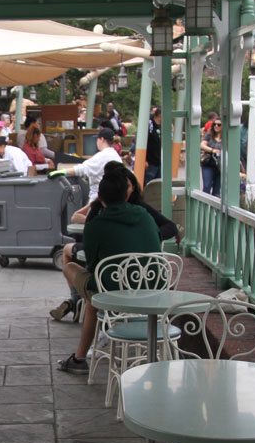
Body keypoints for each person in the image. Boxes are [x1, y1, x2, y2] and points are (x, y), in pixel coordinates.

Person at [56, 167, 161, 373]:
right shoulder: (146, 215)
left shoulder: (96, 225)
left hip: (113, 292)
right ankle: (79, 354)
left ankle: (79, 357)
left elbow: (93, 266)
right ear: (127, 193)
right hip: (152, 289)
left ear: (100, 197)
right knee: (95, 295)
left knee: (75, 274)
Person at [50, 163, 178, 321]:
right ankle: (83, 308)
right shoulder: (144, 215)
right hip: (152, 285)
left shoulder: (101, 220)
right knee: (94, 292)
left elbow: (93, 262)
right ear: (125, 193)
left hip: (113, 287)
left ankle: (85, 310)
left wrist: (146, 236)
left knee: (92, 293)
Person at [56, 128, 122, 203]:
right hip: (113, 197)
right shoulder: (115, 155)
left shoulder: (103, 156)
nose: (96, 142)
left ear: (102, 139)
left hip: (99, 200)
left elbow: (82, 169)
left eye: (97, 139)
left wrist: (63, 171)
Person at [200, 117, 223, 196]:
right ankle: (204, 207)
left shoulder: (226, 137)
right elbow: (202, 145)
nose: (216, 126)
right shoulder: (209, 135)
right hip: (208, 163)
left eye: (219, 125)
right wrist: (212, 150)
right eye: (214, 124)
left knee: (217, 189)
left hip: (220, 165)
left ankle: (214, 208)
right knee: (207, 185)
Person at [145, 106, 163, 184]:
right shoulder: (149, 126)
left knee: (158, 185)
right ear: (160, 115)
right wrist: (144, 160)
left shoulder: (164, 126)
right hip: (150, 162)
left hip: (160, 161)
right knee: (149, 184)